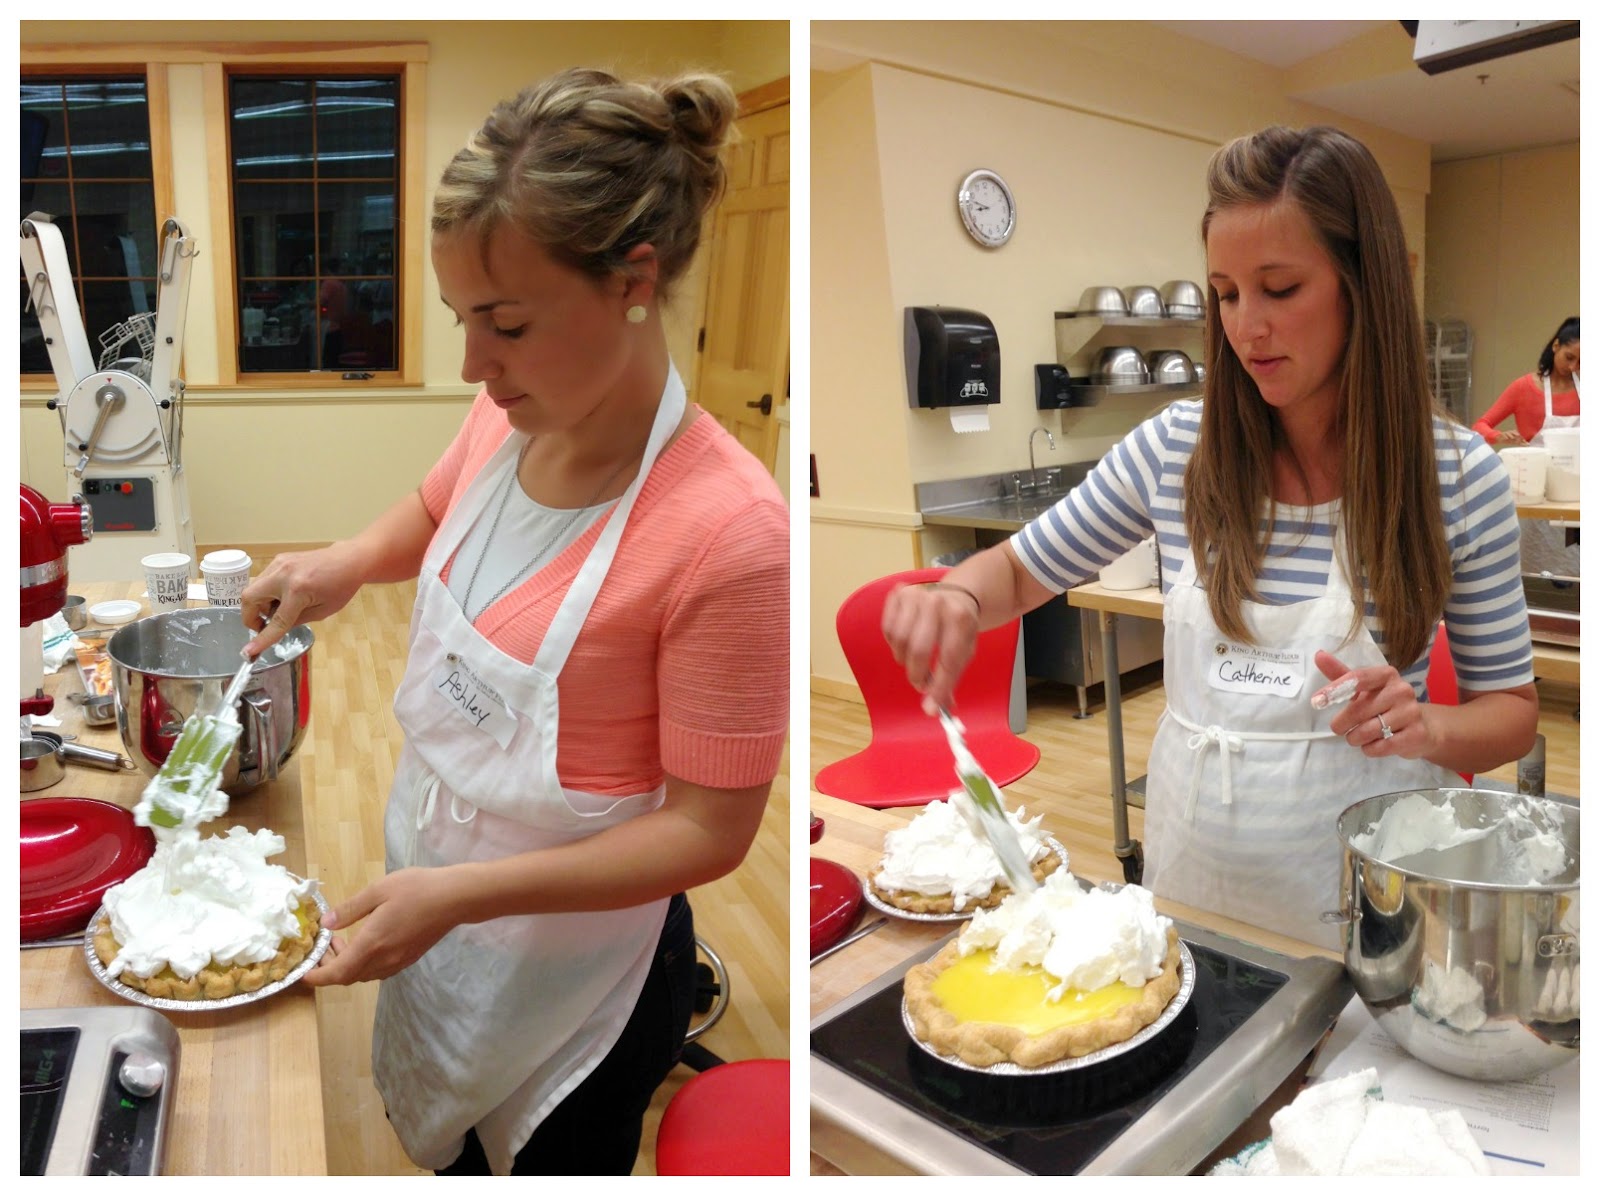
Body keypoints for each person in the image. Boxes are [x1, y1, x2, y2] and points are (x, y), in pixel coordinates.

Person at [240, 68, 789, 1176]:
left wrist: (460, 895)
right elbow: (436, 504)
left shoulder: (729, 533)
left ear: (634, 280)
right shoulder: (515, 415)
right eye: (460, 320)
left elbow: (707, 831)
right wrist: (346, 560)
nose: (471, 365)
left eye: (505, 323)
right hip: (441, 901)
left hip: (573, 970)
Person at [882, 125, 1538, 950]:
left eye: (1280, 288)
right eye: (1227, 294)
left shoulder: (1456, 476)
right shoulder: (1175, 453)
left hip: (1368, 900)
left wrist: (1429, 728)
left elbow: (1509, 712)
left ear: (1361, 287)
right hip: (1194, 889)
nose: (1246, 327)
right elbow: (1015, 575)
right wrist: (954, 596)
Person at [1472, 317, 1580, 447]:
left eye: (1581, 362)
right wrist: (1498, 436)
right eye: (1569, 358)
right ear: (1556, 346)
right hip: (1535, 466)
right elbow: (1479, 426)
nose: (1573, 367)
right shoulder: (1523, 388)